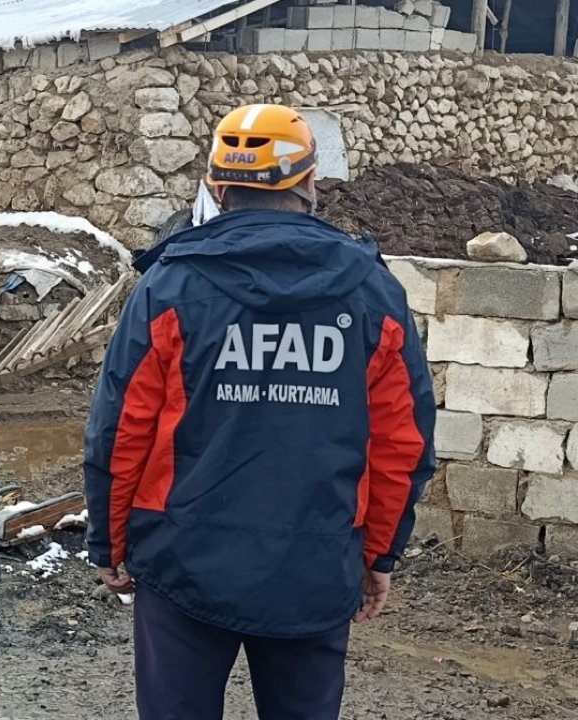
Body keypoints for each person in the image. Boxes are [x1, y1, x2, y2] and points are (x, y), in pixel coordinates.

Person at [84, 103, 436, 720]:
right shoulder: (371, 290)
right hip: (317, 562)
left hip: (181, 562)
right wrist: (377, 555)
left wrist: (110, 542)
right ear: (308, 184)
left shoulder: (171, 285)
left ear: (219, 187)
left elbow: (121, 431)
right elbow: (399, 442)